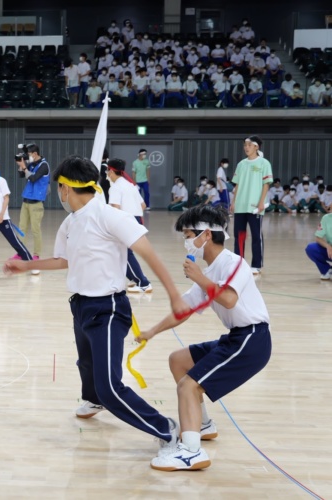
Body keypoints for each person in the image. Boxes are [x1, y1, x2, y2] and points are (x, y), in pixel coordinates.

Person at [4, 156, 189, 466]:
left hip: (109, 307)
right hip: (81, 304)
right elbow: (63, 260)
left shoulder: (108, 216)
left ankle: (166, 429)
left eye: (58, 188)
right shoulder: (70, 222)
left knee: (110, 387)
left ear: (64, 188)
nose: (58, 193)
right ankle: (92, 400)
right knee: (86, 361)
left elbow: (148, 253)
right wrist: (27, 265)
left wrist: (173, 295)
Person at [137, 205, 272, 471]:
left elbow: (230, 300)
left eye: (188, 234)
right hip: (236, 337)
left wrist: (199, 278)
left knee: (188, 386)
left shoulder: (233, 263)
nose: (186, 242)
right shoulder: (209, 272)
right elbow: (183, 310)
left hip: (252, 340)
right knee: (178, 360)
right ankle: (203, 425)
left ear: (206, 235)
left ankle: (190, 452)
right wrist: (151, 332)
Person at [107, 159, 152, 293]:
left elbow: (115, 208)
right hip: (136, 220)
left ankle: (143, 283)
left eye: (108, 171)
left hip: (125, 220)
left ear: (111, 171)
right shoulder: (131, 185)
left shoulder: (115, 187)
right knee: (121, 252)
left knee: (124, 254)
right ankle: (133, 278)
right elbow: (143, 205)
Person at [231, 136, 272, 275]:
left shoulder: (264, 163)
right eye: (245, 145)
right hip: (240, 205)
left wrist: (261, 202)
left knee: (256, 236)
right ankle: (239, 263)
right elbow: (237, 184)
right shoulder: (241, 164)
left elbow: (266, 184)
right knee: (239, 236)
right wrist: (233, 202)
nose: (246, 147)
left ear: (256, 147)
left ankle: (256, 265)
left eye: (249, 145)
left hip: (255, 206)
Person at [14, 144, 50, 263]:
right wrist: (21, 166)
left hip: (36, 203)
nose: (28, 157)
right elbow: (21, 175)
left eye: (29, 155)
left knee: (35, 229)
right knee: (22, 228)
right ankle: (20, 253)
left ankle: (36, 255)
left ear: (35, 154)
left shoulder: (44, 165)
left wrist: (25, 167)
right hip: (26, 200)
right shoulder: (32, 164)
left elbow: (33, 178)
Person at [305, 213, 332, 280]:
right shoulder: (326, 218)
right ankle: (327, 270)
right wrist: (328, 246)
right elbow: (318, 238)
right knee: (311, 248)